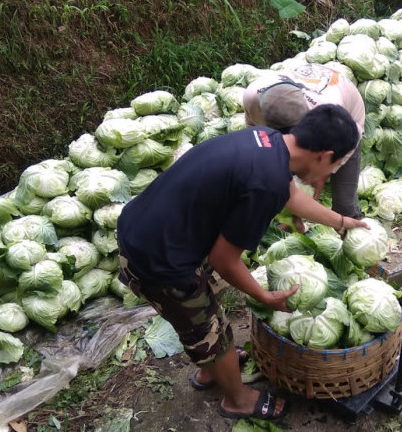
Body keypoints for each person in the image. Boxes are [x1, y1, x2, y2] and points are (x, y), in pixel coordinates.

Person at [116, 104, 368, 421]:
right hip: (157, 259)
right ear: (324, 155)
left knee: (208, 311)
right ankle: (236, 399)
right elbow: (224, 260)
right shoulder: (266, 183)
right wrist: (263, 296)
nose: (331, 175)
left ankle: (214, 370)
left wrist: (341, 221)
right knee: (207, 329)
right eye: (336, 166)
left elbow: (292, 196)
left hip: (148, 226)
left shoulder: (268, 139)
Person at [243, 63, 366, 227]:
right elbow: (255, 137)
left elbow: (352, 137)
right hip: (299, 93)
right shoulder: (253, 97)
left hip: (349, 121)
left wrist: (324, 172)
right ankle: (280, 224)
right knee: (280, 174)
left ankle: (351, 223)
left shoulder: (328, 114)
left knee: (344, 201)